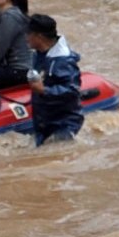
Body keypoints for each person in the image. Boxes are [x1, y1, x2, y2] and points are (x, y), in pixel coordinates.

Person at [24, 14, 85, 144]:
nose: (26, 37)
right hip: (44, 122)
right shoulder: (38, 54)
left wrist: (44, 90)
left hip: (63, 123)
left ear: (39, 36)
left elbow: (72, 90)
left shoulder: (63, 60)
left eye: (28, 33)